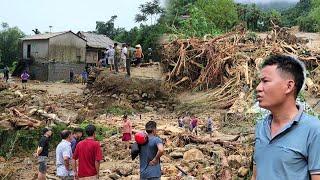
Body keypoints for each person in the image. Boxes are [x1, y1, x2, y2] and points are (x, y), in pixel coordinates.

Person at [252, 55, 320, 180]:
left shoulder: (314, 130)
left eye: (265, 81)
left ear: (289, 86)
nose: (258, 88)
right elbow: (256, 175)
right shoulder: (261, 126)